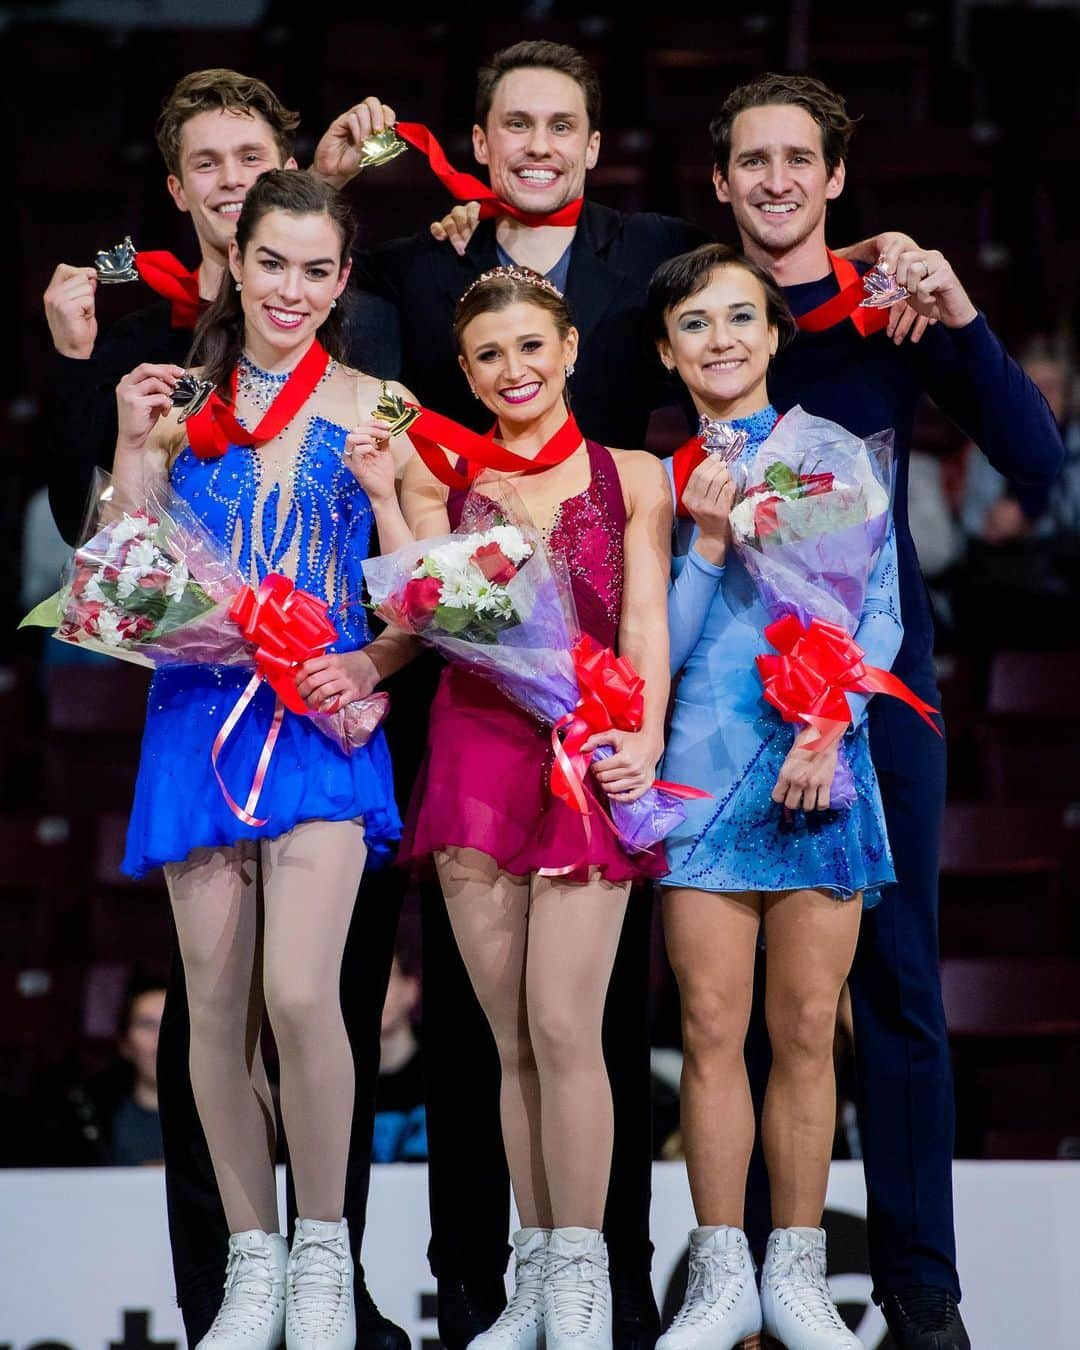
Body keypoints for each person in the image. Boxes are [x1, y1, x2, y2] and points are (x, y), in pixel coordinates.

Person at [42, 68, 408, 1348]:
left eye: (319, 268)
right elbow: (112, 578)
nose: (294, 289)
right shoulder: (179, 403)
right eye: (274, 264)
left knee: (305, 999)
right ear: (238, 265)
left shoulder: (381, 409)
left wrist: (372, 662)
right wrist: (133, 462)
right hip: (198, 718)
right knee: (212, 1007)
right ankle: (250, 1260)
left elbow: (429, 590)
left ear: (342, 277)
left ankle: (323, 1249)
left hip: (316, 724)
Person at [707, 73, 1065, 1350]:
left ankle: (923, 1291)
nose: (777, 179)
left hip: (878, 696)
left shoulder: (889, 309)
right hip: (725, 708)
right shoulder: (702, 310)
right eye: (753, 159)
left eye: (799, 158)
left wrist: (959, 307)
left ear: (837, 176)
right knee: (730, 1006)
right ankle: (738, 1285)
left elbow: (1036, 459)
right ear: (720, 181)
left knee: (899, 988)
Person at [361, 264, 671, 1350]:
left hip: (588, 750)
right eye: (489, 355)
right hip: (474, 750)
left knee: (563, 1023)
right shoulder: (439, 475)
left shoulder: (635, 475)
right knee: (511, 1043)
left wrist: (644, 740)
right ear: (468, 371)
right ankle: (536, 1269)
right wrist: (374, 488)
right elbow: (408, 603)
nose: (514, 370)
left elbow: (644, 628)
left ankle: (584, 1269)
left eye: (531, 347)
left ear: (573, 348)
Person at [650, 243, 901, 1350]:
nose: (721, 340)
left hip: (822, 760)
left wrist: (830, 719)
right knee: (711, 1027)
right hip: (703, 768)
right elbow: (659, 650)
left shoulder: (833, 453)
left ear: (772, 332)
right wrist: (704, 543)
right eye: (696, 324)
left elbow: (879, 610)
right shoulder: (652, 480)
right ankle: (720, 1279)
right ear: (666, 351)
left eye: (740, 318)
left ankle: (797, 1280)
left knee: (806, 1030)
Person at [373, 949, 427, 1164]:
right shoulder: (337, 1081)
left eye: (384, 977)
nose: (373, 992)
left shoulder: (445, 1075)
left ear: (410, 989)